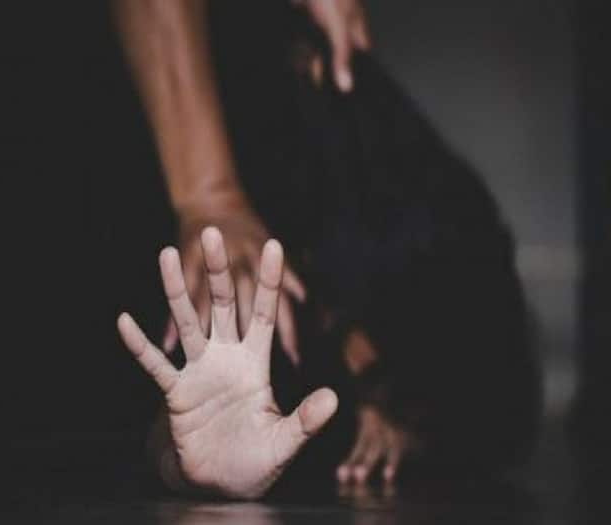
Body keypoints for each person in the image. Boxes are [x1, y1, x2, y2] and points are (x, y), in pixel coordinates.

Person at [113, 0, 542, 498]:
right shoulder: (416, 209)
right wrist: (210, 194)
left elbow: (179, 424)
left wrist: (184, 460)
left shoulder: (299, 371)